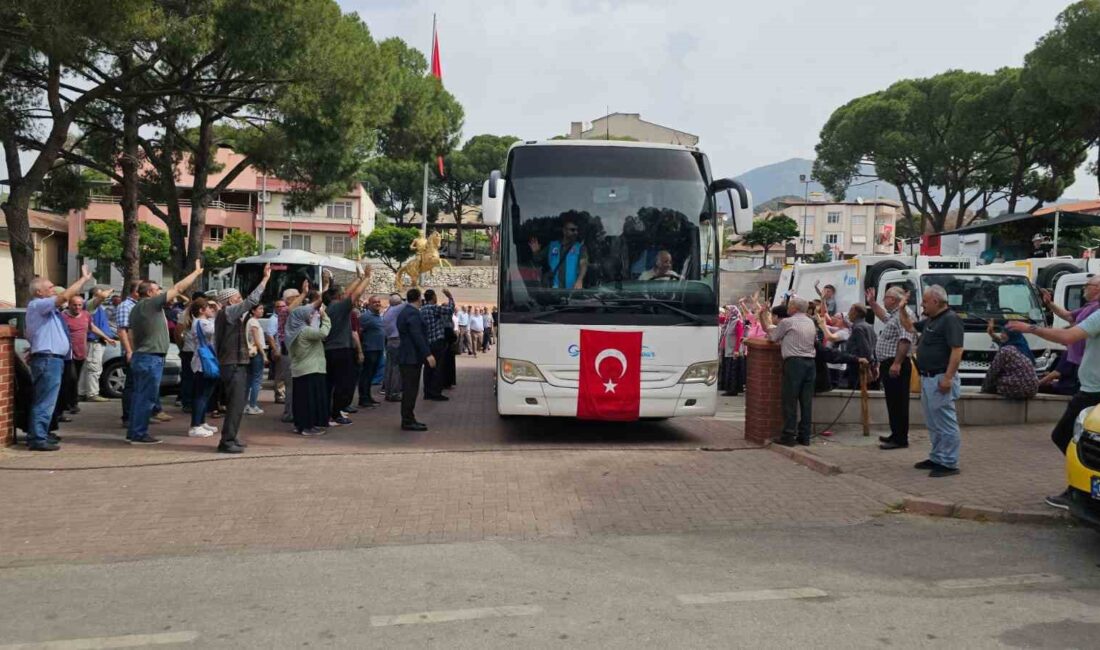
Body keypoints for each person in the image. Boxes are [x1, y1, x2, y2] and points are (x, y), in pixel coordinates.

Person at [1007, 275, 1100, 509]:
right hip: (1089, 387)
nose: (1085, 290)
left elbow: (1068, 335)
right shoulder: (1091, 310)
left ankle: (1079, 490)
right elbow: (1070, 318)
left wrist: (1030, 328)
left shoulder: (1098, 313)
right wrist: (1050, 305)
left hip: (1093, 392)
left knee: (1064, 437)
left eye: (1088, 286)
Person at [126, 260, 205, 444]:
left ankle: (134, 430)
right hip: (150, 357)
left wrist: (133, 350)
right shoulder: (150, 304)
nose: (161, 292)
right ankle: (139, 433)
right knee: (146, 397)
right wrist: (196, 273)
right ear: (151, 293)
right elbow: (177, 288)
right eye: (158, 290)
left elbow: (130, 333)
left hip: (142, 355)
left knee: (139, 396)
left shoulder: (137, 308)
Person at [24, 266, 94, 451]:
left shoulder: (48, 311)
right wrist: (83, 279)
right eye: (50, 287)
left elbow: (34, 333)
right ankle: (38, 438)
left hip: (53, 359)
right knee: (45, 400)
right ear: (39, 292)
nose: (53, 290)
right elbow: (64, 297)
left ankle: (42, 433)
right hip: (48, 359)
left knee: (48, 400)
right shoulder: (38, 305)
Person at [899, 285, 964, 477]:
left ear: (936, 301)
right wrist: (902, 309)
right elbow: (909, 327)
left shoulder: (950, 320)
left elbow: (957, 350)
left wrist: (948, 377)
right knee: (933, 421)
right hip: (928, 377)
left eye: (925, 301)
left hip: (940, 377)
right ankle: (937, 457)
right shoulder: (932, 320)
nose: (922, 305)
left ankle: (949, 462)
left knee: (945, 421)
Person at [212, 264, 271, 453]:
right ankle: (227, 441)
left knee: (237, 404)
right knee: (235, 403)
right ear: (229, 301)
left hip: (236, 363)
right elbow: (251, 301)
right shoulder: (228, 313)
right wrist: (264, 279)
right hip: (232, 364)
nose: (241, 300)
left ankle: (232, 436)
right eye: (237, 298)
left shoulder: (231, 316)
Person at [761, 296, 817, 446]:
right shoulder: (811, 322)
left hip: (794, 363)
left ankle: (788, 436)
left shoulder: (788, 322)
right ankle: (805, 436)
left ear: (795, 308)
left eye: (790, 305)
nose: (788, 308)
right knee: (806, 401)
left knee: (789, 400)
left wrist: (763, 317)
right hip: (810, 362)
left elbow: (773, 337)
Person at [322, 269, 372, 425]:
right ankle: (335, 414)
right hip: (341, 350)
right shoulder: (339, 307)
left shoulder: (330, 307)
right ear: (337, 296)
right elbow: (354, 294)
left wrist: (359, 278)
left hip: (330, 350)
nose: (345, 293)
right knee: (344, 384)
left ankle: (328, 412)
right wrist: (367, 278)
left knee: (330, 383)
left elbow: (348, 292)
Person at [867, 287, 914, 450]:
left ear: (893, 299)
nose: (884, 300)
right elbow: (885, 317)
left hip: (896, 363)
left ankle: (901, 438)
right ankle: (896, 433)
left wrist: (897, 363)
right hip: (890, 363)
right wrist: (872, 304)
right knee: (893, 402)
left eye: (885, 297)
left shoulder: (904, 314)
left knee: (899, 402)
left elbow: (905, 339)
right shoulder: (895, 314)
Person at [60, 295, 115, 414]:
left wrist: (106, 338)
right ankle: (71, 404)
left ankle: (70, 402)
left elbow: (92, 327)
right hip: (67, 353)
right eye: (74, 305)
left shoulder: (86, 315)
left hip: (81, 352)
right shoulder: (63, 317)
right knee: (71, 378)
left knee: (76, 378)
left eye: (79, 305)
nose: (77, 307)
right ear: (69, 305)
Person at [287, 292, 332, 436]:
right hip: (311, 369)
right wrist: (325, 318)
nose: (310, 315)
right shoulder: (305, 331)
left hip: (299, 370)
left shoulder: (292, 331)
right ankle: (308, 427)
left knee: (300, 400)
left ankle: (300, 425)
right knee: (310, 400)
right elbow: (323, 333)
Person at [396, 288, 435, 431]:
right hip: (411, 357)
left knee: (409, 389)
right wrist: (427, 354)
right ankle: (407, 420)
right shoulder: (413, 314)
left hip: (407, 356)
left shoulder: (404, 312)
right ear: (419, 298)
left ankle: (409, 418)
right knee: (410, 390)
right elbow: (417, 335)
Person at [980, 320, 1039, 400]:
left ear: (1010, 335)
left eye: (1003, 333)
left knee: (995, 381)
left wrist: (984, 388)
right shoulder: (1021, 347)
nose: (1001, 335)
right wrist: (991, 334)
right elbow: (1003, 342)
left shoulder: (1006, 350)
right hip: (1033, 389)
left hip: (1019, 388)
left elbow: (993, 371)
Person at [187, 298, 219, 438]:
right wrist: (219, 311)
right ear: (201, 310)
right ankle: (195, 425)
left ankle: (201, 421)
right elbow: (217, 329)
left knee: (205, 394)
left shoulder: (201, 322)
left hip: (202, 360)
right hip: (203, 363)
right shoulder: (202, 323)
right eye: (209, 308)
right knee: (201, 394)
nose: (212, 310)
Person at [529, 216, 588, 289]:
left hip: (572, 293)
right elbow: (537, 260)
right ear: (564, 231)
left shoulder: (580, 247)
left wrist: (580, 280)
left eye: (577, 230)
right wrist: (535, 251)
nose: (576, 232)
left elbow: (584, 264)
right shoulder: (552, 246)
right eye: (572, 230)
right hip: (554, 292)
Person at [80, 288, 117, 402]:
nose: (105, 297)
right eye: (100, 294)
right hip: (93, 342)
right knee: (93, 368)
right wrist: (110, 290)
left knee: (87, 369)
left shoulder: (99, 308)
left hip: (98, 341)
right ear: (95, 295)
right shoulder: (91, 306)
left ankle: (82, 392)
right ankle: (92, 393)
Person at [420, 288, 455, 402]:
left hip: (427, 342)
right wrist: (450, 297)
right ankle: (435, 392)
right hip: (437, 341)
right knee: (438, 368)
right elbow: (450, 310)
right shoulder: (434, 308)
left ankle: (427, 392)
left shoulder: (422, 309)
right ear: (433, 297)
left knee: (428, 368)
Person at [357, 294, 385, 408]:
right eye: (375, 302)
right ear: (369, 304)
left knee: (371, 374)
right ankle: (363, 399)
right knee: (366, 375)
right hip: (369, 349)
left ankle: (368, 397)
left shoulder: (378, 316)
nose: (377, 304)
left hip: (378, 349)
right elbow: (359, 331)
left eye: (378, 302)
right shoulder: (365, 317)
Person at [844, 304, 877, 390]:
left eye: (850, 311)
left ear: (855, 313)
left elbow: (864, 349)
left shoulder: (858, 328)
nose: (848, 314)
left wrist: (868, 367)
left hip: (858, 368)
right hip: (865, 366)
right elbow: (874, 347)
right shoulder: (869, 326)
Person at [381, 293, 406, 402]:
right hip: (397, 340)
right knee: (397, 369)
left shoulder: (387, 312)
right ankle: (395, 393)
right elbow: (409, 303)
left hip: (390, 341)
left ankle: (388, 392)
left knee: (389, 368)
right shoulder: (398, 309)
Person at [244, 303, 267, 415]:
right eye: (260, 308)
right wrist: (264, 354)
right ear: (253, 310)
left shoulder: (251, 321)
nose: (262, 310)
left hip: (252, 353)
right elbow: (257, 341)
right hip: (256, 353)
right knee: (256, 380)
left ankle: (245, 405)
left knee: (249, 380)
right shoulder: (253, 322)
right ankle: (252, 405)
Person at [719, 305, 744, 396]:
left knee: (733, 371)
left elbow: (739, 337)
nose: (726, 313)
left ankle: (733, 390)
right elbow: (718, 319)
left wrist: (736, 350)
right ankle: (729, 388)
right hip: (728, 349)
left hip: (733, 350)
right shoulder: (729, 321)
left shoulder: (738, 322)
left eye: (728, 311)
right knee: (729, 370)